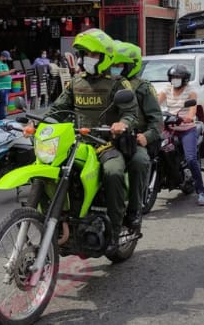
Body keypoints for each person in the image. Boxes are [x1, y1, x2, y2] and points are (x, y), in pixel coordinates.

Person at [43, 29, 139, 250]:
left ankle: (114, 231)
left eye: (92, 54)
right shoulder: (76, 82)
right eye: (83, 53)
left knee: (113, 172)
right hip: (76, 143)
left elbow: (131, 113)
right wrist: (39, 123)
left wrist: (122, 124)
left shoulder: (117, 83)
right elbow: (57, 110)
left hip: (105, 144)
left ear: (104, 58)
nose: (86, 58)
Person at [111, 41, 161, 227]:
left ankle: (134, 211)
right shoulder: (108, 84)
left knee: (139, 162)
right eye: (113, 65)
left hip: (133, 139)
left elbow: (156, 120)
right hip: (104, 138)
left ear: (131, 65)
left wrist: (145, 137)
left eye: (119, 65)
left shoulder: (142, 88)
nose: (115, 69)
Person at [157, 64, 204, 206]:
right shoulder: (167, 89)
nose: (175, 80)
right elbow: (156, 104)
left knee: (191, 159)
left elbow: (192, 109)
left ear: (184, 79)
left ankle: (201, 192)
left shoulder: (191, 92)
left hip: (186, 129)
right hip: (169, 127)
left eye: (178, 77)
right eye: (173, 77)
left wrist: (189, 117)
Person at [0, 51, 17, 120]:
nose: (7, 59)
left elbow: (6, 73)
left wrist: (9, 74)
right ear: (3, 56)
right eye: (6, 58)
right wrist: (10, 71)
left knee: (5, 103)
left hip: (6, 87)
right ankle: (2, 119)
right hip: (1, 87)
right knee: (3, 103)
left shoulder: (4, 64)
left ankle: (4, 118)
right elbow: (0, 74)